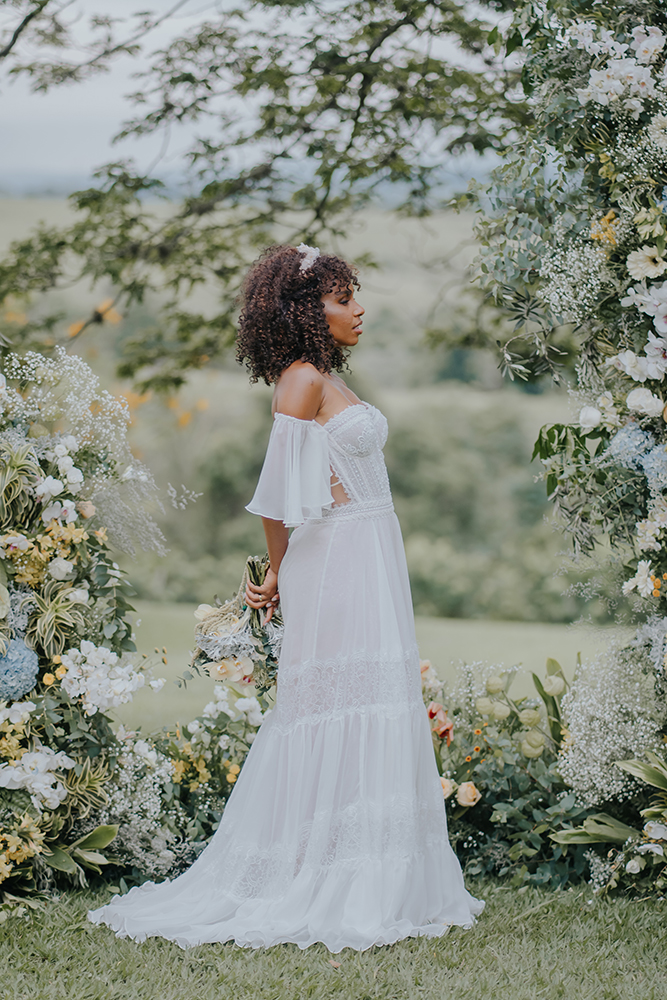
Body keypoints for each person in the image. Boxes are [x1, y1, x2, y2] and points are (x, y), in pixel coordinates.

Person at [88, 243, 483, 950]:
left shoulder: (323, 376)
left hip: (367, 548)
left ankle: (374, 872)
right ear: (305, 309)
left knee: (372, 696)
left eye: (354, 294)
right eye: (340, 298)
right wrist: (278, 576)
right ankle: (315, 872)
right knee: (329, 705)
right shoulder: (300, 381)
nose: (358, 308)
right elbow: (277, 501)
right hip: (332, 558)